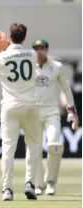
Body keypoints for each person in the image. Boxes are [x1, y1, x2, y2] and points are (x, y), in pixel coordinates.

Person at [0, 23, 42, 201]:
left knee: (8, 148)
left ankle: (7, 189)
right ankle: (30, 183)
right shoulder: (33, 54)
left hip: (10, 106)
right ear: (25, 37)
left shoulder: (2, 56)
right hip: (31, 105)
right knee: (34, 145)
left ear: (10, 37)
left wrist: (0, 48)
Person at [26, 39, 79, 196]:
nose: (39, 51)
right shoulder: (28, 67)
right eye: (36, 48)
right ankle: (38, 184)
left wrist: (71, 109)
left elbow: (66, 88)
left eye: (42, 48)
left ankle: (51, 182)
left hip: (51, 112)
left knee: (55, 145)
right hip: (34, 112)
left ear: (47, 50)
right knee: (34, 148)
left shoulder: (57, 67)